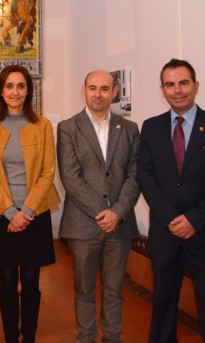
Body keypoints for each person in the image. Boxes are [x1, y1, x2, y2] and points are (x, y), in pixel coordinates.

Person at [138, 59, 205, 343]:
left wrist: (194, 219)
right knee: (163, 307)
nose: (177, 90)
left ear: (196, 86)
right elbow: (145, 177)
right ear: (162, 89)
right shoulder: (151, 127)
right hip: (165, 234)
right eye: (170, 84)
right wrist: (172, 218)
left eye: (183, 83)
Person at [57, 70, 141, 343]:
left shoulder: (129, 129)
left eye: (104, 89)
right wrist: (101, 212)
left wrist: (117, 212)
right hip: (83, 224)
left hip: (120, 224)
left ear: (114, 92)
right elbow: (70, 177)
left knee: (114, 289)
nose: (98, 94)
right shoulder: (69, 128)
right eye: (92, 88)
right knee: (84, 289)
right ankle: (86, 337)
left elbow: (135, 174)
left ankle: (113, 337)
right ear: (83, 90)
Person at [0, 64, 61, 343]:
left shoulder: (43, 126)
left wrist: (26, 211)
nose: (15, 92)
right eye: (10, 86)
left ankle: (30, 337)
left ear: (29, 90)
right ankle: (10, 337)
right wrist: (11, 211)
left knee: (30, 282)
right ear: (1, 92)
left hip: (34, 214)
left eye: (21, 86)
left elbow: (48, 171)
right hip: (2, 215)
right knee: (5, 283)